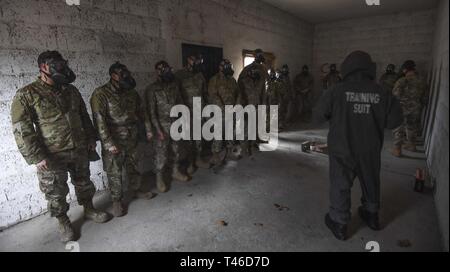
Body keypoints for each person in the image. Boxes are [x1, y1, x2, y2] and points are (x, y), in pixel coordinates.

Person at [10, 51, 110, 243]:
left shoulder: (70, 90)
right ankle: (63, 221)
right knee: (56, 192)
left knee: (84, 182)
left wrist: (90, 138)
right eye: (56, 64)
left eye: (62, 63)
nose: (62, 67)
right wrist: (36, 156)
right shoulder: (27, 94)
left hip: (79, 147)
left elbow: (83, 116)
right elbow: (21, 129)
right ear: (44, 67)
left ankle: (89, 209)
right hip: (52, 154)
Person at [314, 51, 403, 240]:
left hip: (342, 148)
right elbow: (395, 121)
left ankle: (339, 223)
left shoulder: (335, 90)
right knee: (371, 180)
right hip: (370, 149)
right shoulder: (383, 92)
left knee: (340, 183)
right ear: (370, 68)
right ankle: (371, 215)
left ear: (346, 68)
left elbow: (317, 117)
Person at [90, 62, 154, 218]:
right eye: (122, 74)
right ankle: (117, 201)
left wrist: (148, 129)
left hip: (131, 136)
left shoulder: (131, 93)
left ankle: (137, 189)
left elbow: (142, 112)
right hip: (114, 140)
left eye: (127, 73)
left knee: (133, 165)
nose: (126, 76)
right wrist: (108, 143)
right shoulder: (101, 94)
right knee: (114, 172)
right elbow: (99, 121)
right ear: (113, 76)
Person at [144, 61, 190, 193]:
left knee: (176, 149)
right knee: (161, 155)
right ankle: (159, 178)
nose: (169, 73)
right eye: (165, 70)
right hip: (161, 126)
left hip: (175, 123)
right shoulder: (152, 89)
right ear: (158, 71)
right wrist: (158, 130)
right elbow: (150, 112)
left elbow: (181, 103)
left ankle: (175, 171)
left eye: (169, 70)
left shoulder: (174, 86)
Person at [175, 55, 210, 173]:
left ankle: (198, 159)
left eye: (197, 61)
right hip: (186, 111)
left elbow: (205, 93)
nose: (195, 63)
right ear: (188, 60)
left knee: (199, 137)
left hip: (199, 109)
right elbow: (175, 94)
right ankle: (190, 163)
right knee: (188, 139)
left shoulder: (200, 76)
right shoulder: (179, 75)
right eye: (193, 60)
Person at [391, 60, 429, 156]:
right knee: (412, 127)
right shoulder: (422, 81)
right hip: (416, 108)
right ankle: (412, 145)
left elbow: (395, 95)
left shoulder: (402, 80)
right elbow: (425, 97)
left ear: (405, 69)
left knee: (399, 128)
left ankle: (397, 150)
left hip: (402, 108)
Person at [208, 59, 240, 168]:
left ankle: (230, 152)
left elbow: (238, 93)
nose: (229, 69)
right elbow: (213, 95)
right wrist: (223, 109)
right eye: (226, 66)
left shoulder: (232, 80)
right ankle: (216, 156)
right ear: (220, 67)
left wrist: (237, 106)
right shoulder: (214, 80)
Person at [238, 49, 268, 156]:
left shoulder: (263, 69)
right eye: (259, 55)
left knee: (256, 125)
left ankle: (253, 143)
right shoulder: (247, 69)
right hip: (248, 103)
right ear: (255, 56)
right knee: (246, 127)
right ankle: (244, 148)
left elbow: (263, 87)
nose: (261, 56)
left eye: (262, 55)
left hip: (258, 102)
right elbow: (240, 86)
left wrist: (263, 102)